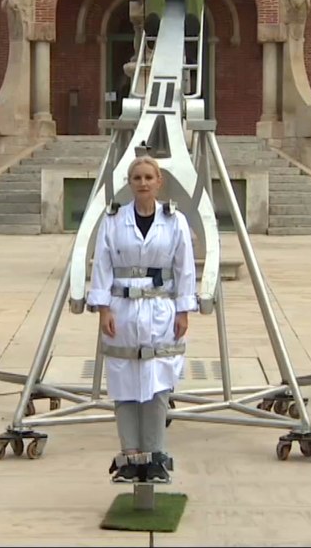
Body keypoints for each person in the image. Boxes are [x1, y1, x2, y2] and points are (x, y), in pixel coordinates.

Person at [88, 155, 199, 484]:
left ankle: (154, 457)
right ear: (130, 182)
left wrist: (183, 310)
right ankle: (129, 457)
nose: (143, 182)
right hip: (122, 309)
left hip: (160, 309)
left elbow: (185, 268)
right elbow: (102, 264)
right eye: (137, 177)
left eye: (149, 177)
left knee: (157, 383)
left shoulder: (175, 220)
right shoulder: (113, 219)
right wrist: (103, 307)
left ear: (158, 181)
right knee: (123, 384)